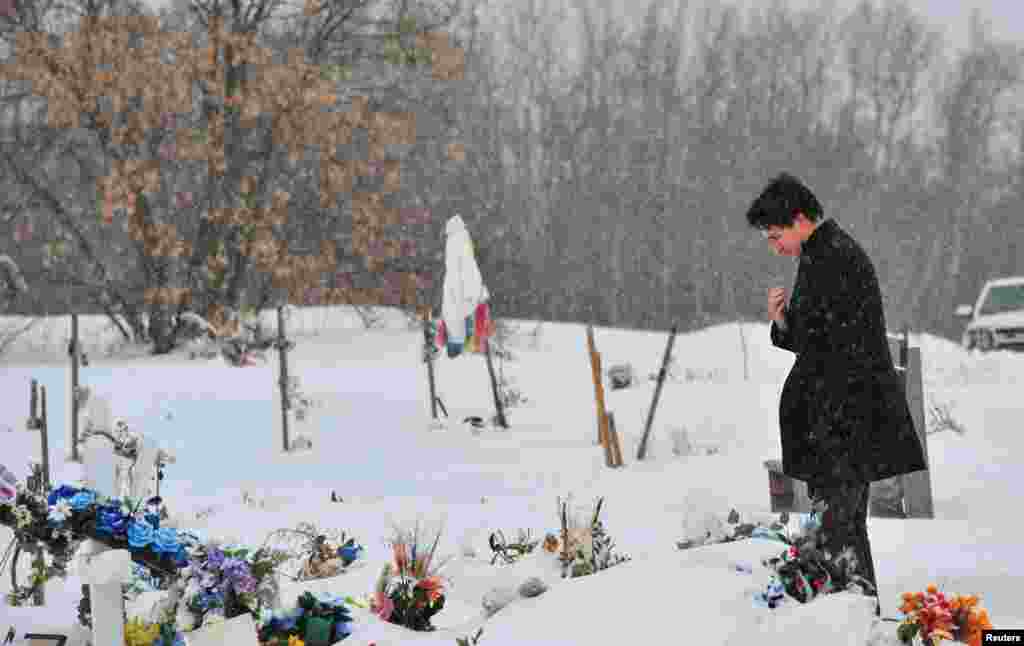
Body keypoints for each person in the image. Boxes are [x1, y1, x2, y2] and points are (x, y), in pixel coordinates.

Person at [745, 172, 927, 613]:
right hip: (840, 426)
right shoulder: (823, 255)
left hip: (844, 427)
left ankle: (858, 621)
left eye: (775, 235)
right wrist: (786, 322)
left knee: (840, 532)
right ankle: (857, 618)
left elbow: (830, 348)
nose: (775, 246)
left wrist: (787, 323)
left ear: (800, 218)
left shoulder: (832, 259)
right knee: (842, 532)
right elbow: (820, 338)